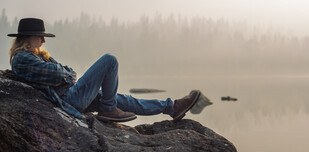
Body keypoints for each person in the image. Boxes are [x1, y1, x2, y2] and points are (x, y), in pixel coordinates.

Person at [8, 18, 201, 122]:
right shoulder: (23, 58)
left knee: (125, 100)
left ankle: (171, 107)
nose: (43, 41)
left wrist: (64, 74)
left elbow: (67, 72)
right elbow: (61, 73)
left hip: (70, 93)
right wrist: (64, 74)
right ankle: (109, 109)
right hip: (68, 99)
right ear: (28, 37)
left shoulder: (36, 56)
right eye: (40, 36)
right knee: (109, 60)